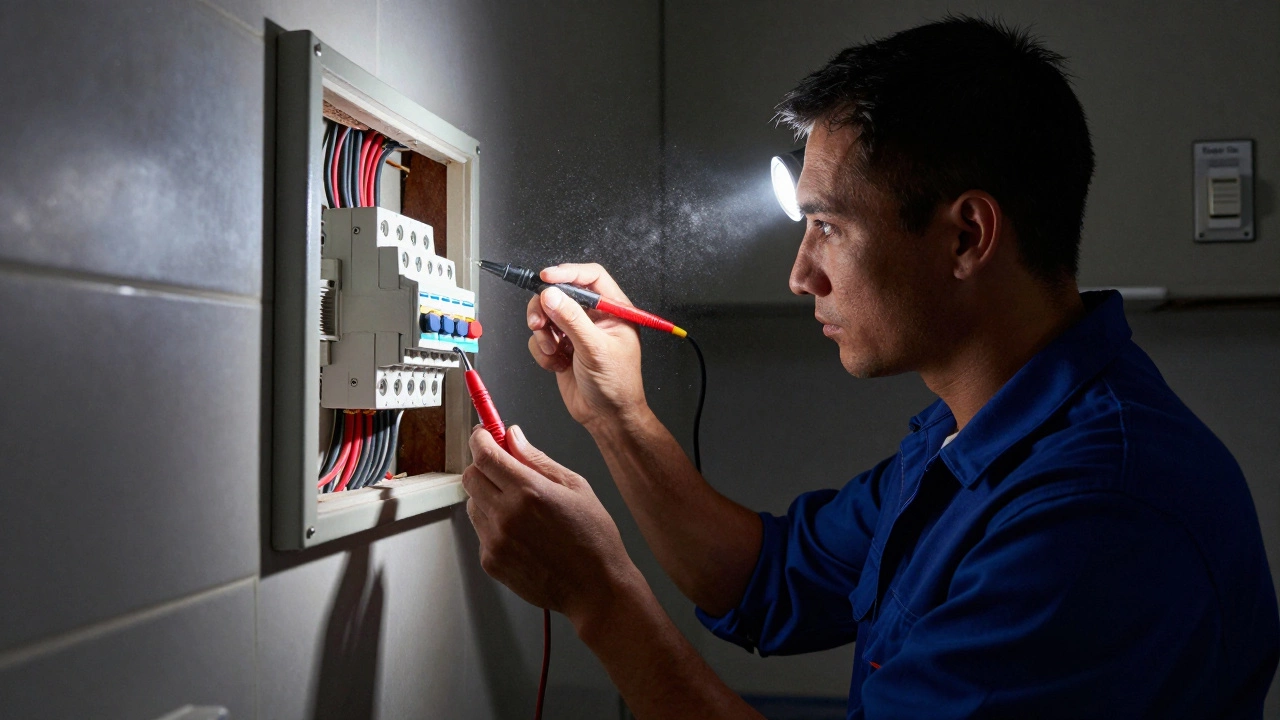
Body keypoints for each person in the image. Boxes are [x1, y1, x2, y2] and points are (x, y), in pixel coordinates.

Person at [459, 16, 1280, 719]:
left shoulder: (1094, 516)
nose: (801, 273)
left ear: (966, 237)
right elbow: (765, 580)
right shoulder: (974, 439)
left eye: (828, 227)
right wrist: (618, 415)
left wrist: (601, 597)